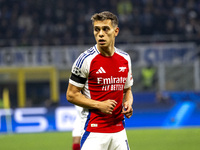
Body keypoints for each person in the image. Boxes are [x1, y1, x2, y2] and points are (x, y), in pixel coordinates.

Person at [66, 11, 134, 150]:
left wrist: (128, 103)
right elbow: (71, 95)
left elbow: (127, 90)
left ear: (116, 31)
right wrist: (99, 105)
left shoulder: (125, 58)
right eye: (97, 29)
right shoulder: (85, 60)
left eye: (105, 29)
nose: (100, 34)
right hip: (94, 132)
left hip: (119, 132)